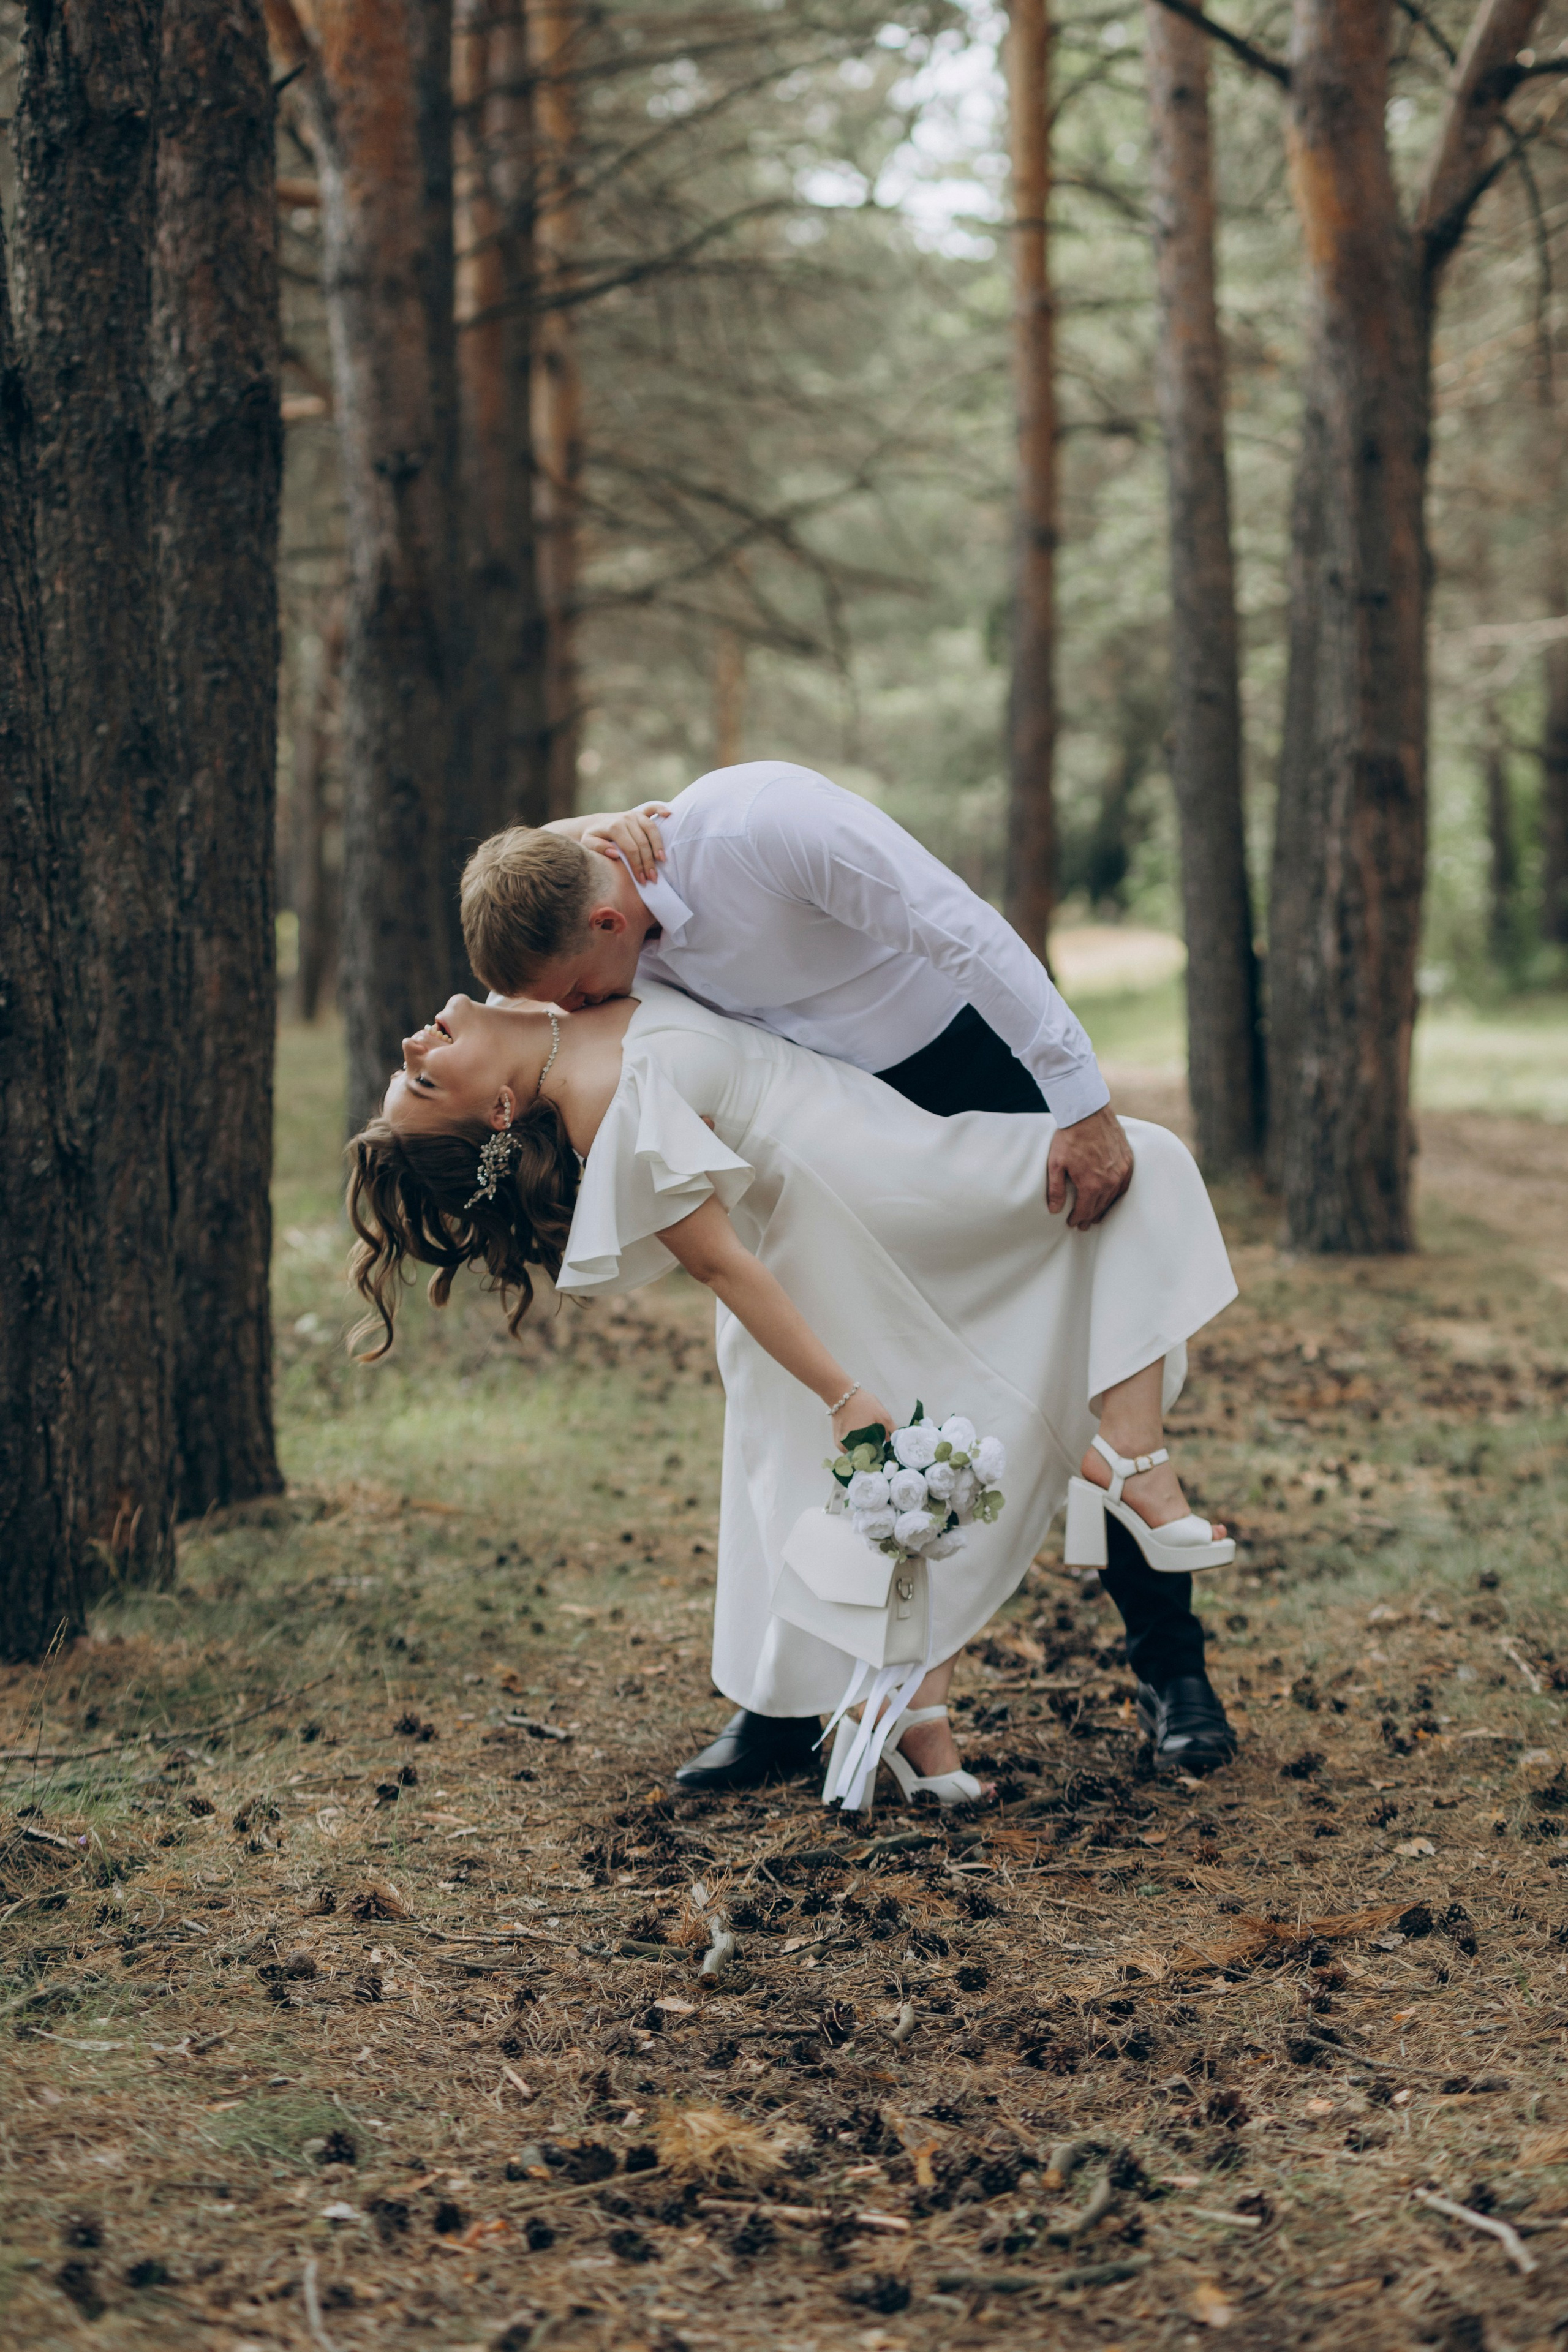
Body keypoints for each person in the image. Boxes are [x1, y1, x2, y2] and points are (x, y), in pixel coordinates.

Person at [454, 761, 1240, 1782]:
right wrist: (592, 824)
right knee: (778, 1395)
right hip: (822, 1140)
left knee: (1088, 1321)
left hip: (967, 1065)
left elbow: (957, 925)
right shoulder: (596, 904)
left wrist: (1080, 1101)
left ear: (607, 923)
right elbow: (515, 936)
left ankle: (1174, 1669)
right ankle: (784, 1701)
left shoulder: (768, 826)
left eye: (578, 993)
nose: (590, 1011)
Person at [348, 978, 1240, 1810]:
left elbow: (560, 880)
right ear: (501, 1111)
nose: (410, 1047)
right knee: (1145, 1165)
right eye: (422, 1084)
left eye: (407, 1073)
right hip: (866, 1195)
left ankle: (924, 1695)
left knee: (1114, 1198)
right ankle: (1100, 1494)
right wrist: (842, 1393)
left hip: (879, 1132)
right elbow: (720, 1265)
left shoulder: (547, 984)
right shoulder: (603, 1109)